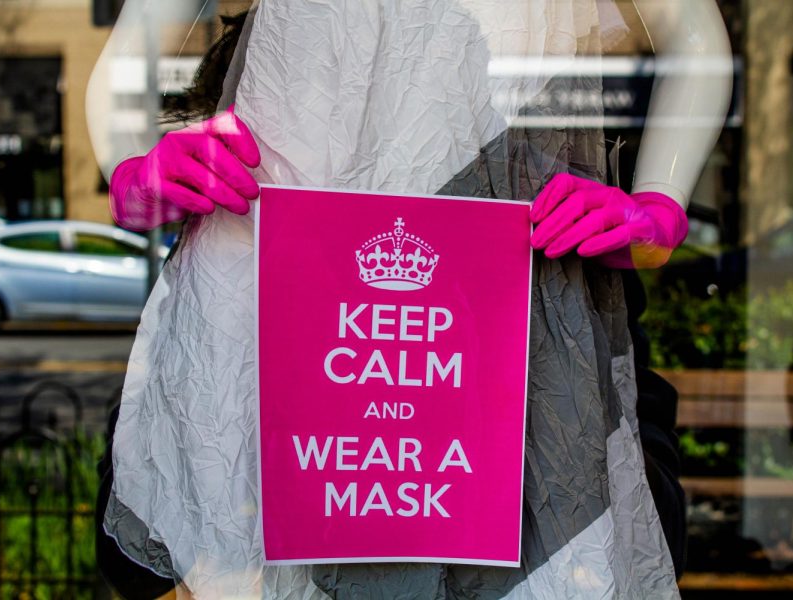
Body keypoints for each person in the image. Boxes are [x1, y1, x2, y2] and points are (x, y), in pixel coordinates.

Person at [89, 1, 732, 597]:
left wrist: (658, 206)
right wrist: (131, 174)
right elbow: (142, 550)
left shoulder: (548, 279)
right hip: (269, 242)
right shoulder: (253, 274)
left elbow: (693, 33)